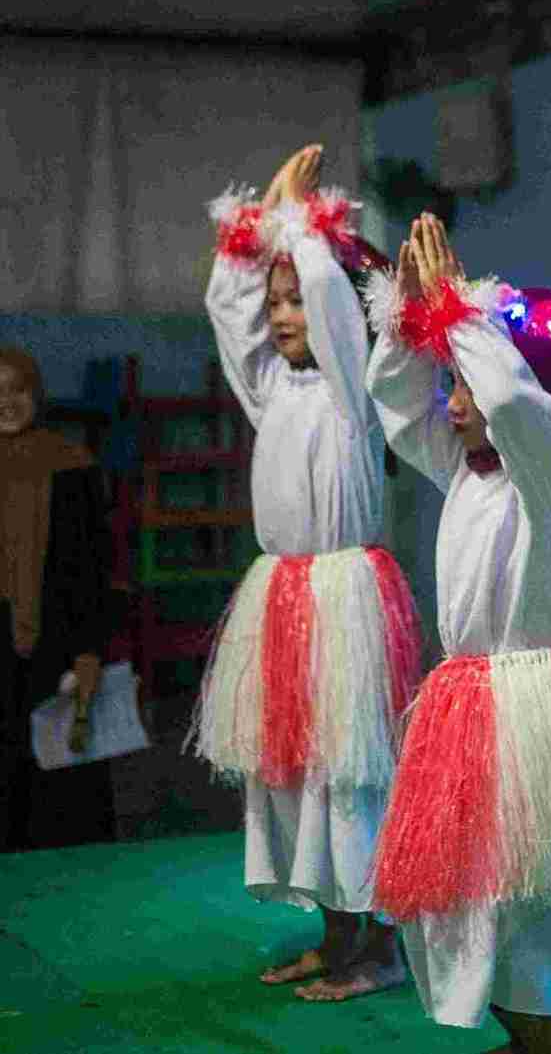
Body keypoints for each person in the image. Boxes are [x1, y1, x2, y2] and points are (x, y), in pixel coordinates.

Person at [366, 215, 551, 1054]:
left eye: (461, 382)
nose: (452, 402)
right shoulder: (463, 465)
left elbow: (509, 402)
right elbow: (396, 403)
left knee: (533, 894)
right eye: (451, 383)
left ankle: (548, 1041)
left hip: (529, 700)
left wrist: (463, 311)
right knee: (467, 890)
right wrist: (411, 315)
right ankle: (522, 1031)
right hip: (466, 697)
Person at [192, 144, 420, 1001]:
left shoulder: (356, 392)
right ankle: (335, 935)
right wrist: (255, 242)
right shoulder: (269, 389)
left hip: (345, 598)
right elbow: (227, 312)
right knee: (292, 772)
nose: (283, 315)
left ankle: (382, 946)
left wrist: (298, 223)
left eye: (295, 301)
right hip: (281, 593)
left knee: (350, 770)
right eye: (276, 301)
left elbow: (332, 300)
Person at [0, 345, 116, 852]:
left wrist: (89, 649)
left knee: (61, 781)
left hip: (59, 638)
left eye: (17, 390)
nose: (7, 403)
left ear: (36, 394)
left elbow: (93, 565)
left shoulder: (72, 463)